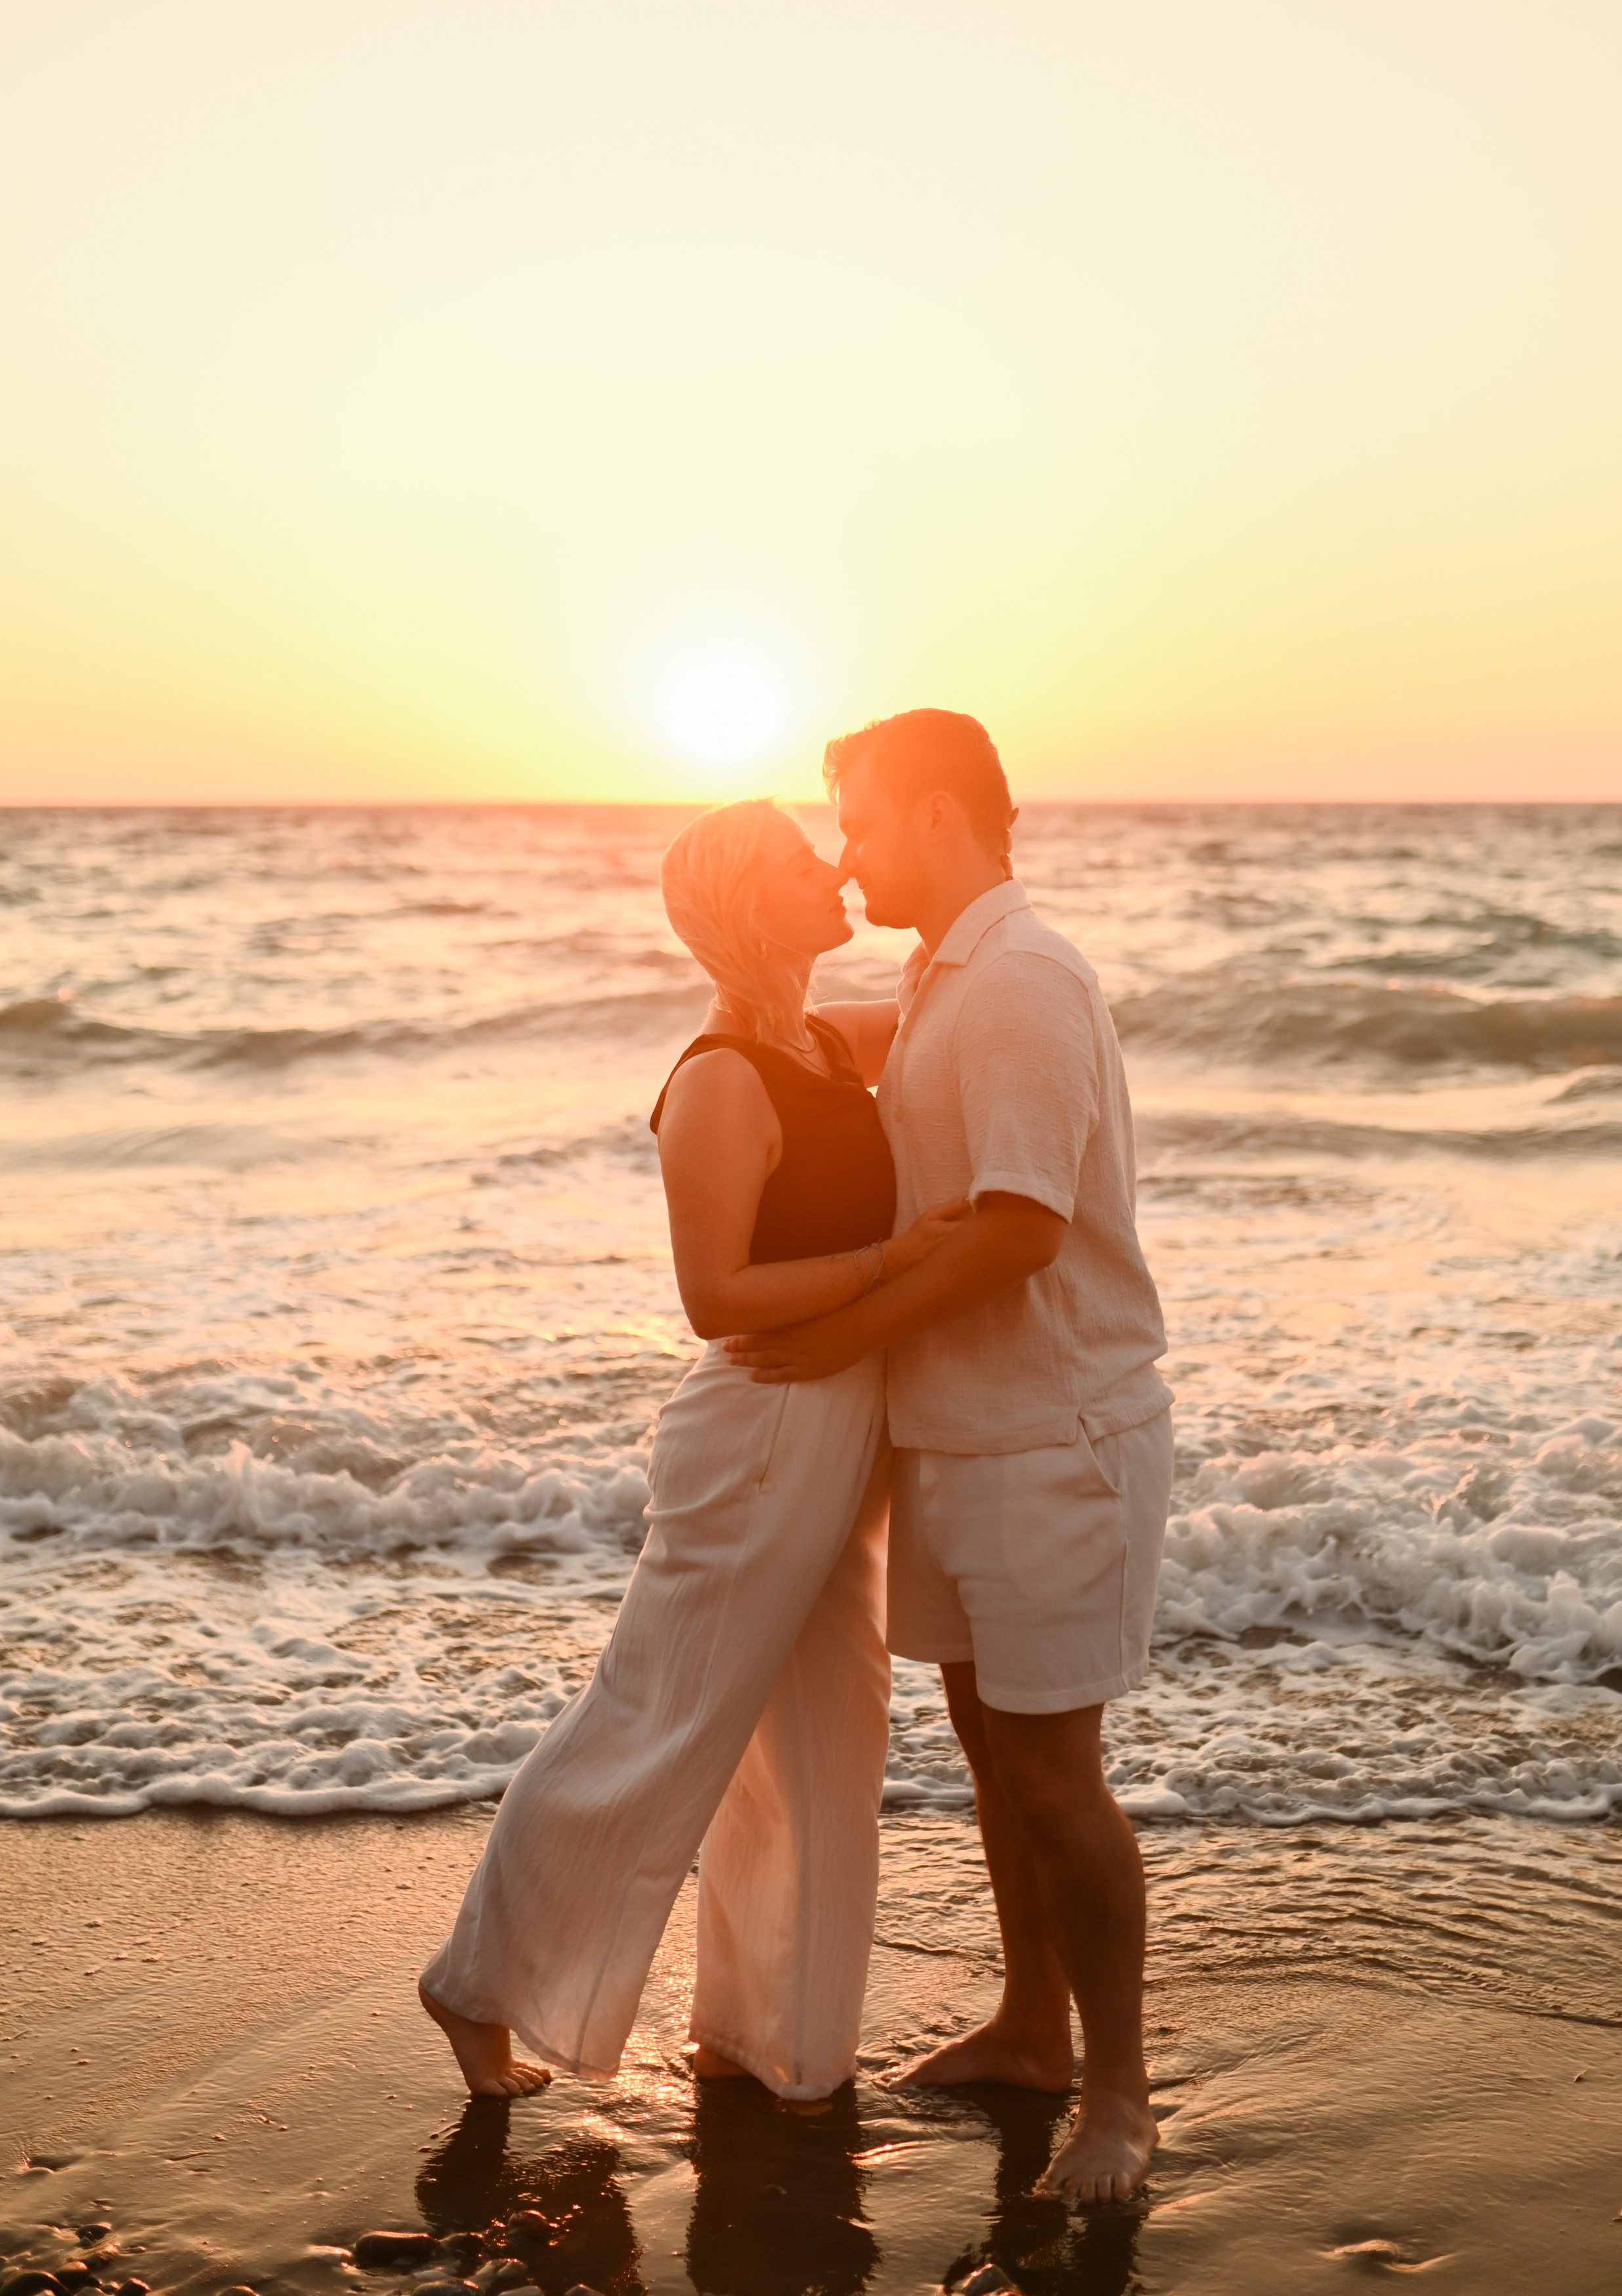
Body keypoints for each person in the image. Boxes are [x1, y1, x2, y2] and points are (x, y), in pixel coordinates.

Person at [419, 797, 966, 2103]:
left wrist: (1001, 930)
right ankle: (476, 1983)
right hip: (761, 1430)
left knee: (824, 1737)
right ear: (743, 904)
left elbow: (960, 1015)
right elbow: (716, 1296)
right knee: (660, 1718)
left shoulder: (821, 1043)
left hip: (843, 1422)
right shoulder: (720, 1076)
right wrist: (897, 1261)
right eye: (798, 859)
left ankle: (779, 2039)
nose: (831, 865)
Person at [727, 710, 1174, 2203]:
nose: (847, 855)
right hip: (960, 1432)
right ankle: (1030, 2029)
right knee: (993, 1752)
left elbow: (1020, 1228)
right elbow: (826, 1054)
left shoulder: (1025, 981)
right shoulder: (942, 977)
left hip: (1055, 1438)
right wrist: (738, 1012)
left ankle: (1119, 2098)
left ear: (933, 813)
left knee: (1056, 1775)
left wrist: (846, 1328)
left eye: (857, 822)